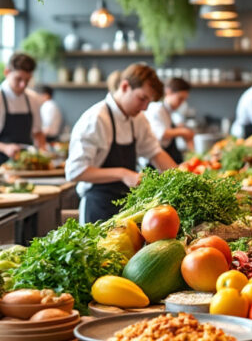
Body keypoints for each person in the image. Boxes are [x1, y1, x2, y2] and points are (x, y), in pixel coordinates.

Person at [65, 63, 178, 223]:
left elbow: (156, 153)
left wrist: (182, 178)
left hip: (127, 208)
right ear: (125, 86)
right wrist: (123, 173)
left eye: (149, 102)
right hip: (98, 208)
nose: (145, 108)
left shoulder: (138, 119)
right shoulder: (96, 119)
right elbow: (74, 172)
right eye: (142, 98)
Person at [0, 52, 47, 169]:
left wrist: (43, 151)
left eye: (27, 81)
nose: (23, 85)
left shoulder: (33, 99)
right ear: (7, 72)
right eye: (18, 79)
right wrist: (5, 148)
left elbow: (38, 133)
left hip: (26, 165)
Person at [144, 77, 194, 165]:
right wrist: (183, 132)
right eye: (180, 98)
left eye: (184, 100)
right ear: (168, 92)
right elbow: (161, 134)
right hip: (152, 161)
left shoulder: (171, 112)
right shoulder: (156, 109)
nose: (181, 103)